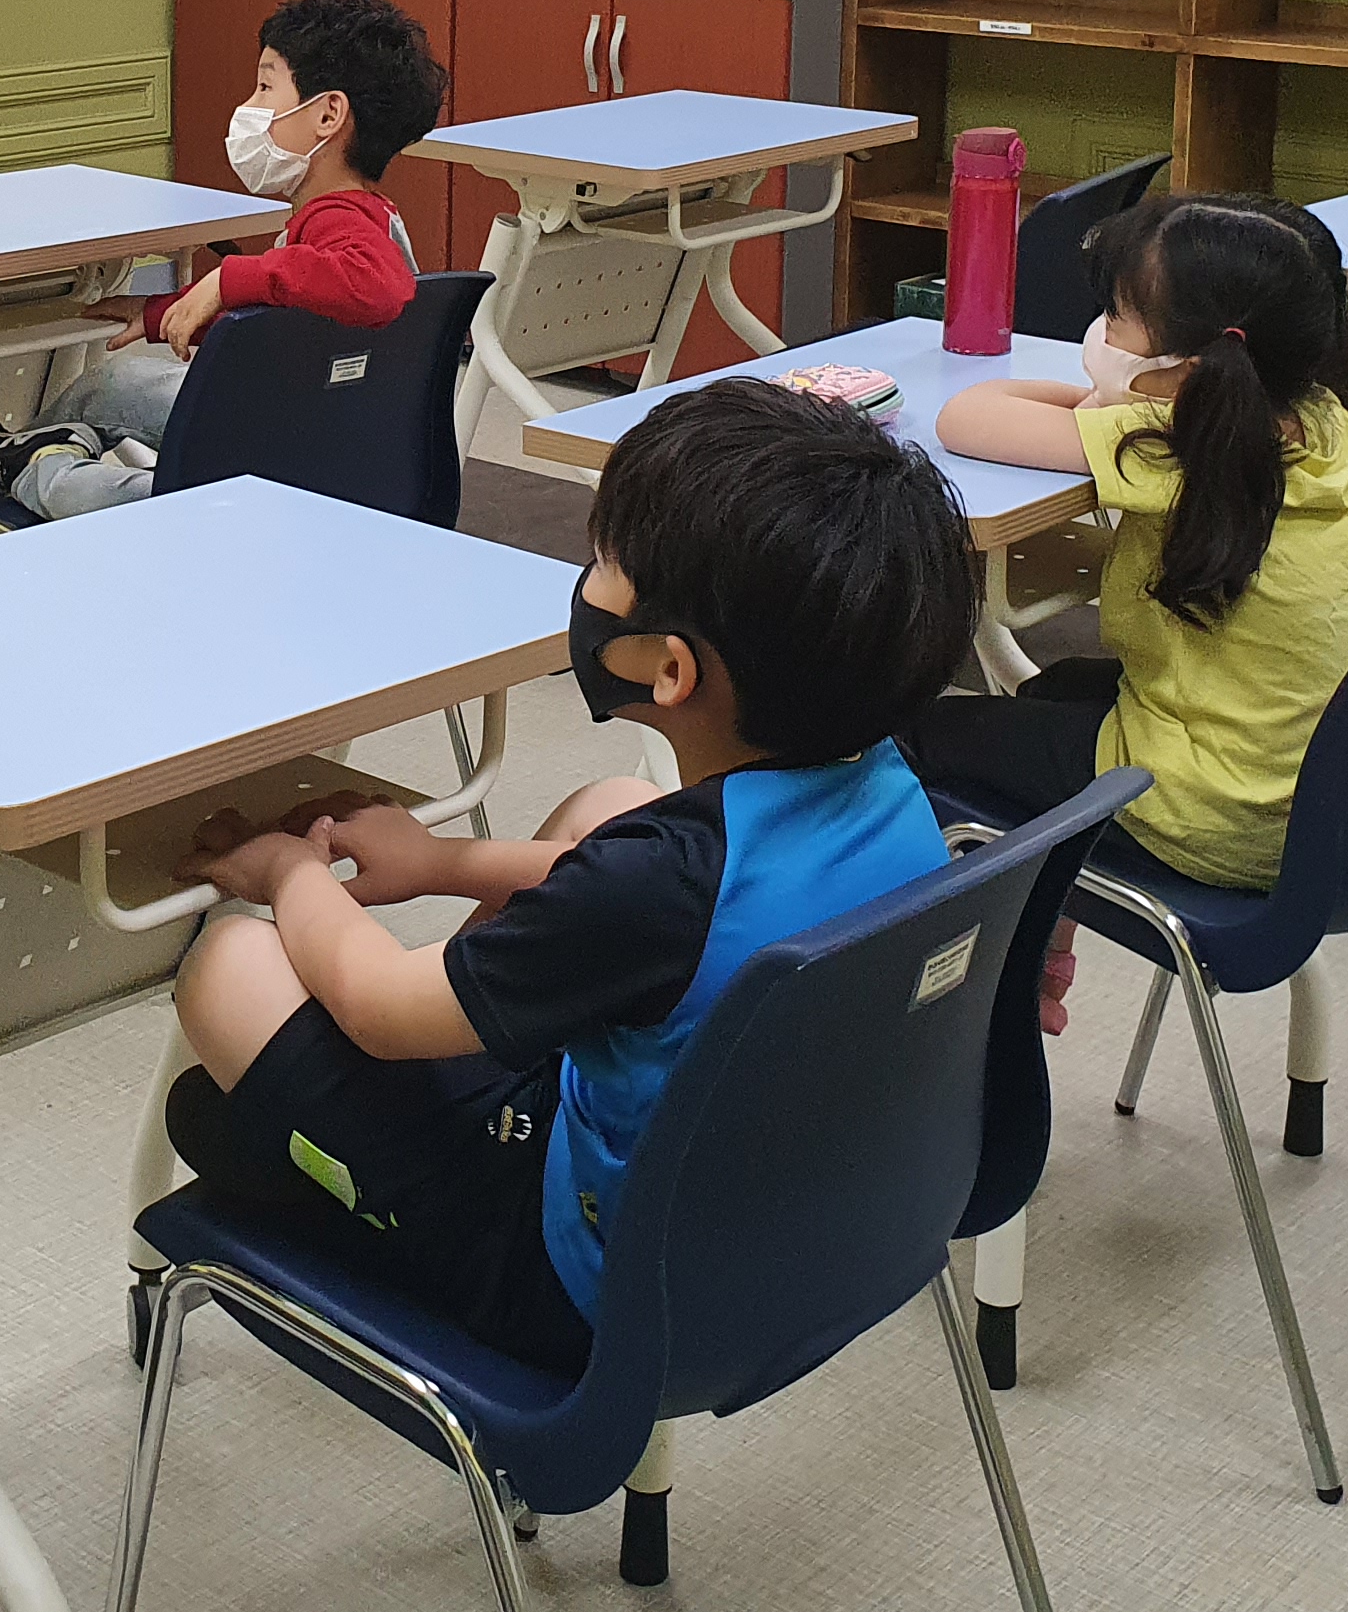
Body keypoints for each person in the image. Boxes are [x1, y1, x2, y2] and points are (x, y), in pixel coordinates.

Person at [162, 378, 972, 1372]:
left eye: (604, 565)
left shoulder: (652, 889)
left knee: (231, 963)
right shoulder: (883, 775)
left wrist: (292, 871)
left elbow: (377, 1005)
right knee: (611, 805)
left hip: (569, 1282)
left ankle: (322, 1173)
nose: (587, 584)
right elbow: (683, 905)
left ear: (670, 669)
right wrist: (444, 862)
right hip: (772, 1224)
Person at [916, 194, 1348, 1022]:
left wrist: (1113, 404)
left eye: (1118, 319)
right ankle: (1042, 949)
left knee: (915, 740)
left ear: (1193, 369)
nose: (1101, 334)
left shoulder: (1181, 449)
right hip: (1307, 799)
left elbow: (966, 417)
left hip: (1206, 811)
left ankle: (955, 999)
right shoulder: (1324, 425)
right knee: (1054, 690)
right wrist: (1131, 396)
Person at [0, 0, 442, 529]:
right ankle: (10, 448)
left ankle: (18, 469)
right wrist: (164, 310)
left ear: (328, 115)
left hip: (280, 485)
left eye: (266, 86)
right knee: (112, 383)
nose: (250, 105)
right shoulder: (362, 213)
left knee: (98, 496)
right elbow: (287, 314)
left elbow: (376, 287)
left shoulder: (340, 220)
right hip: (299, 430)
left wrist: (224, 281)